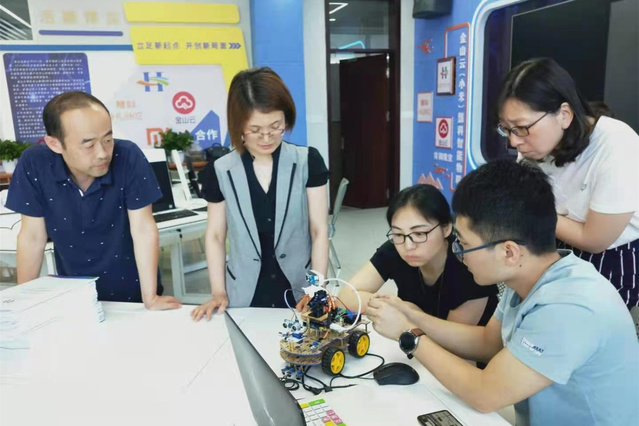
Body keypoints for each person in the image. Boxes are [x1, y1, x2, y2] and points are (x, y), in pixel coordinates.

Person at [367, 160, 638, 426]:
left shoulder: (569, 307)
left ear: (509, 251)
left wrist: (409, 335)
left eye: (464, 245)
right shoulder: (529, 276)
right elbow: (488, 343)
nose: (460, 254)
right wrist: (413, 316)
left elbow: (485, 394)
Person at [6, 91, 180, 309]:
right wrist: (24, 303)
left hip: (133, 292)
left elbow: (143, 229)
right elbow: (32, 236)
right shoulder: (35, 164)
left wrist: (150, 297)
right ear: (54, 144)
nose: (102, 153)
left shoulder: (128, 156)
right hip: (75, 294)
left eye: (108, 139)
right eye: (89, 145)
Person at [496, 57, 639, 309]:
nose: (514, 141)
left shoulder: (616, 144)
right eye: (506, 129)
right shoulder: (532, 146)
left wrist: (528, 210)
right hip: (552, 243)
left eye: (521, 128)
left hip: (609, 257)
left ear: (564, 114)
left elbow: (595, 240)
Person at [191, 67, 329, 321]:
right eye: (255, 129)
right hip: (244, 293)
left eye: (276, 126)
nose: (267, 137)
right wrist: (218, 291)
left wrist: (316, 289)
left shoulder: (307, 161)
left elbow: (319, 231)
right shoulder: (220, 171)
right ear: (238, 125)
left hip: (300, 292)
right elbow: (216, 235)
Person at [338, 184, 498, 327]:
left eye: (420, 233)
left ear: (446, 229)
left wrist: (408, 312)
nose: (408, 246)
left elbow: (452, 342)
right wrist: (399, 307)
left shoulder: (470, 264)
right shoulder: (394, 249)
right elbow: (346, 297)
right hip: (416, 343)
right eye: (398, 234)